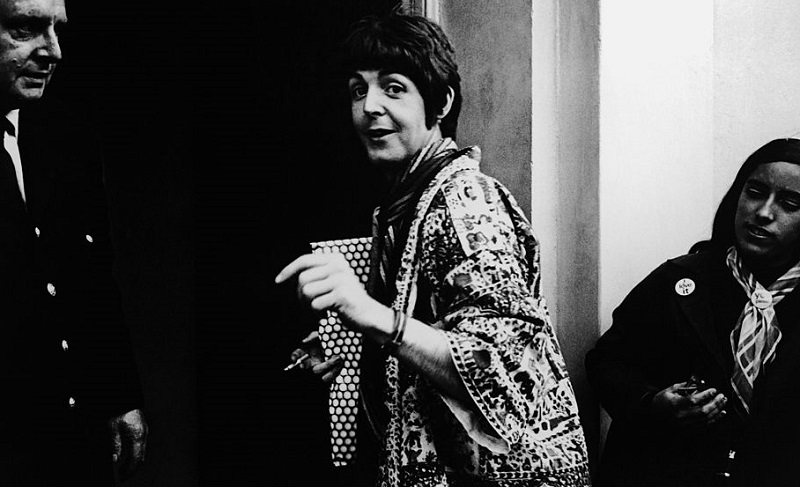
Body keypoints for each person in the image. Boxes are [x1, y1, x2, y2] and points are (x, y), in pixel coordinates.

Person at [275, 13, 590, 487]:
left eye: (393, 88)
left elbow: (503, 371)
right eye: (358, 90)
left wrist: (371, 314)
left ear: (441, 103)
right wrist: (351, 347)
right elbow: (428, 336)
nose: (369, 106)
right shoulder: (403, 206)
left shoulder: (466, 200)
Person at [585, 138, 800, 486]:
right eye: (755, 192)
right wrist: (653, 402)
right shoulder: (682, 280)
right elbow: (606, 361)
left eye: (790, 204)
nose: (763, 212)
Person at [0, 0, 147, 484]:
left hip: (70, 443)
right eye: (25, 29)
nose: (54, 51)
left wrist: (119, 394)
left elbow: (92, 278)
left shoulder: (63, 135)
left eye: (57, 30)